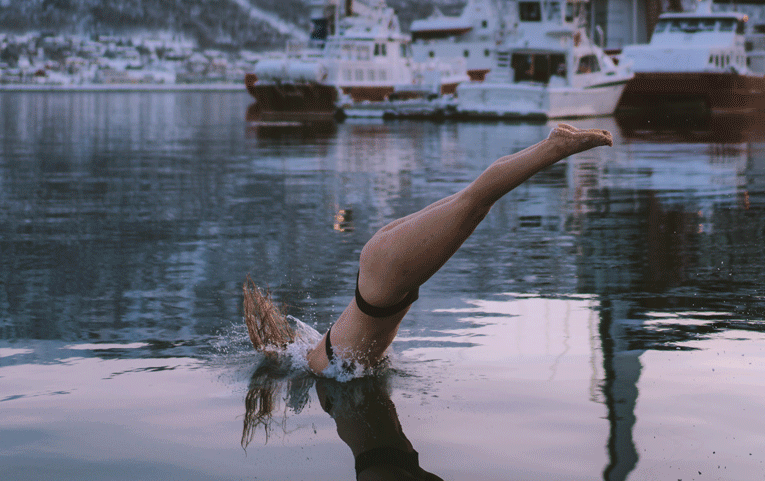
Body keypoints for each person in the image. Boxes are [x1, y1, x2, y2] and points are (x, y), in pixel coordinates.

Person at [244, 123, 613, 375]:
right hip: (381, 267)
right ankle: (552, 142)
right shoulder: (312, 350)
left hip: (385, 278)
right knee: (474, 201)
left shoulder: (317, 365)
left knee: (474, 202)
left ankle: (554, 147)